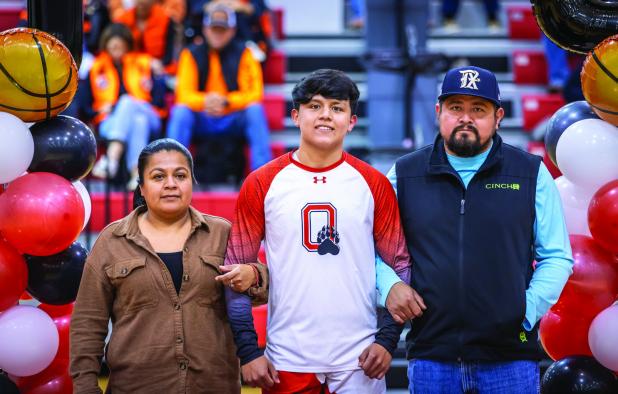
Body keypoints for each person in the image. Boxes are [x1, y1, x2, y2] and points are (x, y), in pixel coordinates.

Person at [224, 69, 426, 394]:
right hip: (286, 359)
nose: (325, 116)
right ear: (295, 115)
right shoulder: (261, 183)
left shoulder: (373, 184)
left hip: (359, 358)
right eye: (314, 106)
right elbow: (232, 275)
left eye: (337, 107)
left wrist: (387, 341)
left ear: (351, 121)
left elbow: (399, 267)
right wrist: (248, 351)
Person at [387, 66, 574, 392]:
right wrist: (389, 284)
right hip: (433, 355)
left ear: (498, 116)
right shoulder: (404, 175)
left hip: (509, 359)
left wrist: (526, 311)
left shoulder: (530, 173)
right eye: (455, 107)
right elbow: (377, 249)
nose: (466, 118)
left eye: (479, 109)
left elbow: (557, 257)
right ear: (438, 112)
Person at [70, 138, 269, 393]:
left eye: (180, 175)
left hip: (212, 385)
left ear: (191, 182)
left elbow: (263, 288)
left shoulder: (221, 233)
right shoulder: (112, 240)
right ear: (141, 187)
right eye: (158, 176)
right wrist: (85, 387)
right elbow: (88, 322)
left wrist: (253, 274)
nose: (171, 184)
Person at [167, 4, 272, 180]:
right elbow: (183, 94)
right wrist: (206, 101)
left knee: (255, 110)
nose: (217, 33)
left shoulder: (245, 53)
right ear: (205, 29)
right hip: (202, 117)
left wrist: (227, 101)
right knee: (180, 112)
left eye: (222, 29)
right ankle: (171, 170)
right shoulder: (190, 54)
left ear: (232, 30)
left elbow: (255, 93)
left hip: (232, 117)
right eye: (214, 28)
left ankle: (262, 178)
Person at [86, 23, 166, 189]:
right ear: (105, 44)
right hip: (110, 121)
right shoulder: (95, 68)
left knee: (127, 102)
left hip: (150, 113)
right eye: (112, 42)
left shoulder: (144, 63)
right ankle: (136, 174)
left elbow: (159, 99)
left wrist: (121, 104)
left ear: (128, 44)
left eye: (120, 42)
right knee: (138, 121)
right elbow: (85, 106)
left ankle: (111, 158)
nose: (116, 46)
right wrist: (98, 111)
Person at [114, 0, 177, 72]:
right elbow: (119, 54)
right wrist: (145, 62)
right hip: (129, 68)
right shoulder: (122, 21)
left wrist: (157, 65)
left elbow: (169, 55)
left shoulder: (166, 20)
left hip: (158, 68)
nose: (142, 2)